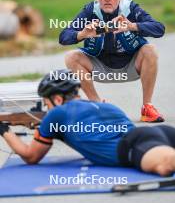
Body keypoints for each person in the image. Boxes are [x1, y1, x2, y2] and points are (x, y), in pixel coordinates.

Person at [0, 69, 175, 177]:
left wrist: (4, 130)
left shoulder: (57, 114)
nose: (47, 109)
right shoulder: (104, 106)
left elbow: (31, 157)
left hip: (132, 146)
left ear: (58, 99)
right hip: (159, 133)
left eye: (47, 103)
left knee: (166, 165)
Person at [59, 0, 165, 123]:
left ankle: (147, 107)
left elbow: (159, 29)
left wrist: (132, 26)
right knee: (71, 56)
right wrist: (82, 34)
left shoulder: (131, 9)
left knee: (150, 50)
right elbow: (63, 37)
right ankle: (97, 106)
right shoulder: (90, 11)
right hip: (100, 67)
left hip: (131, 66)